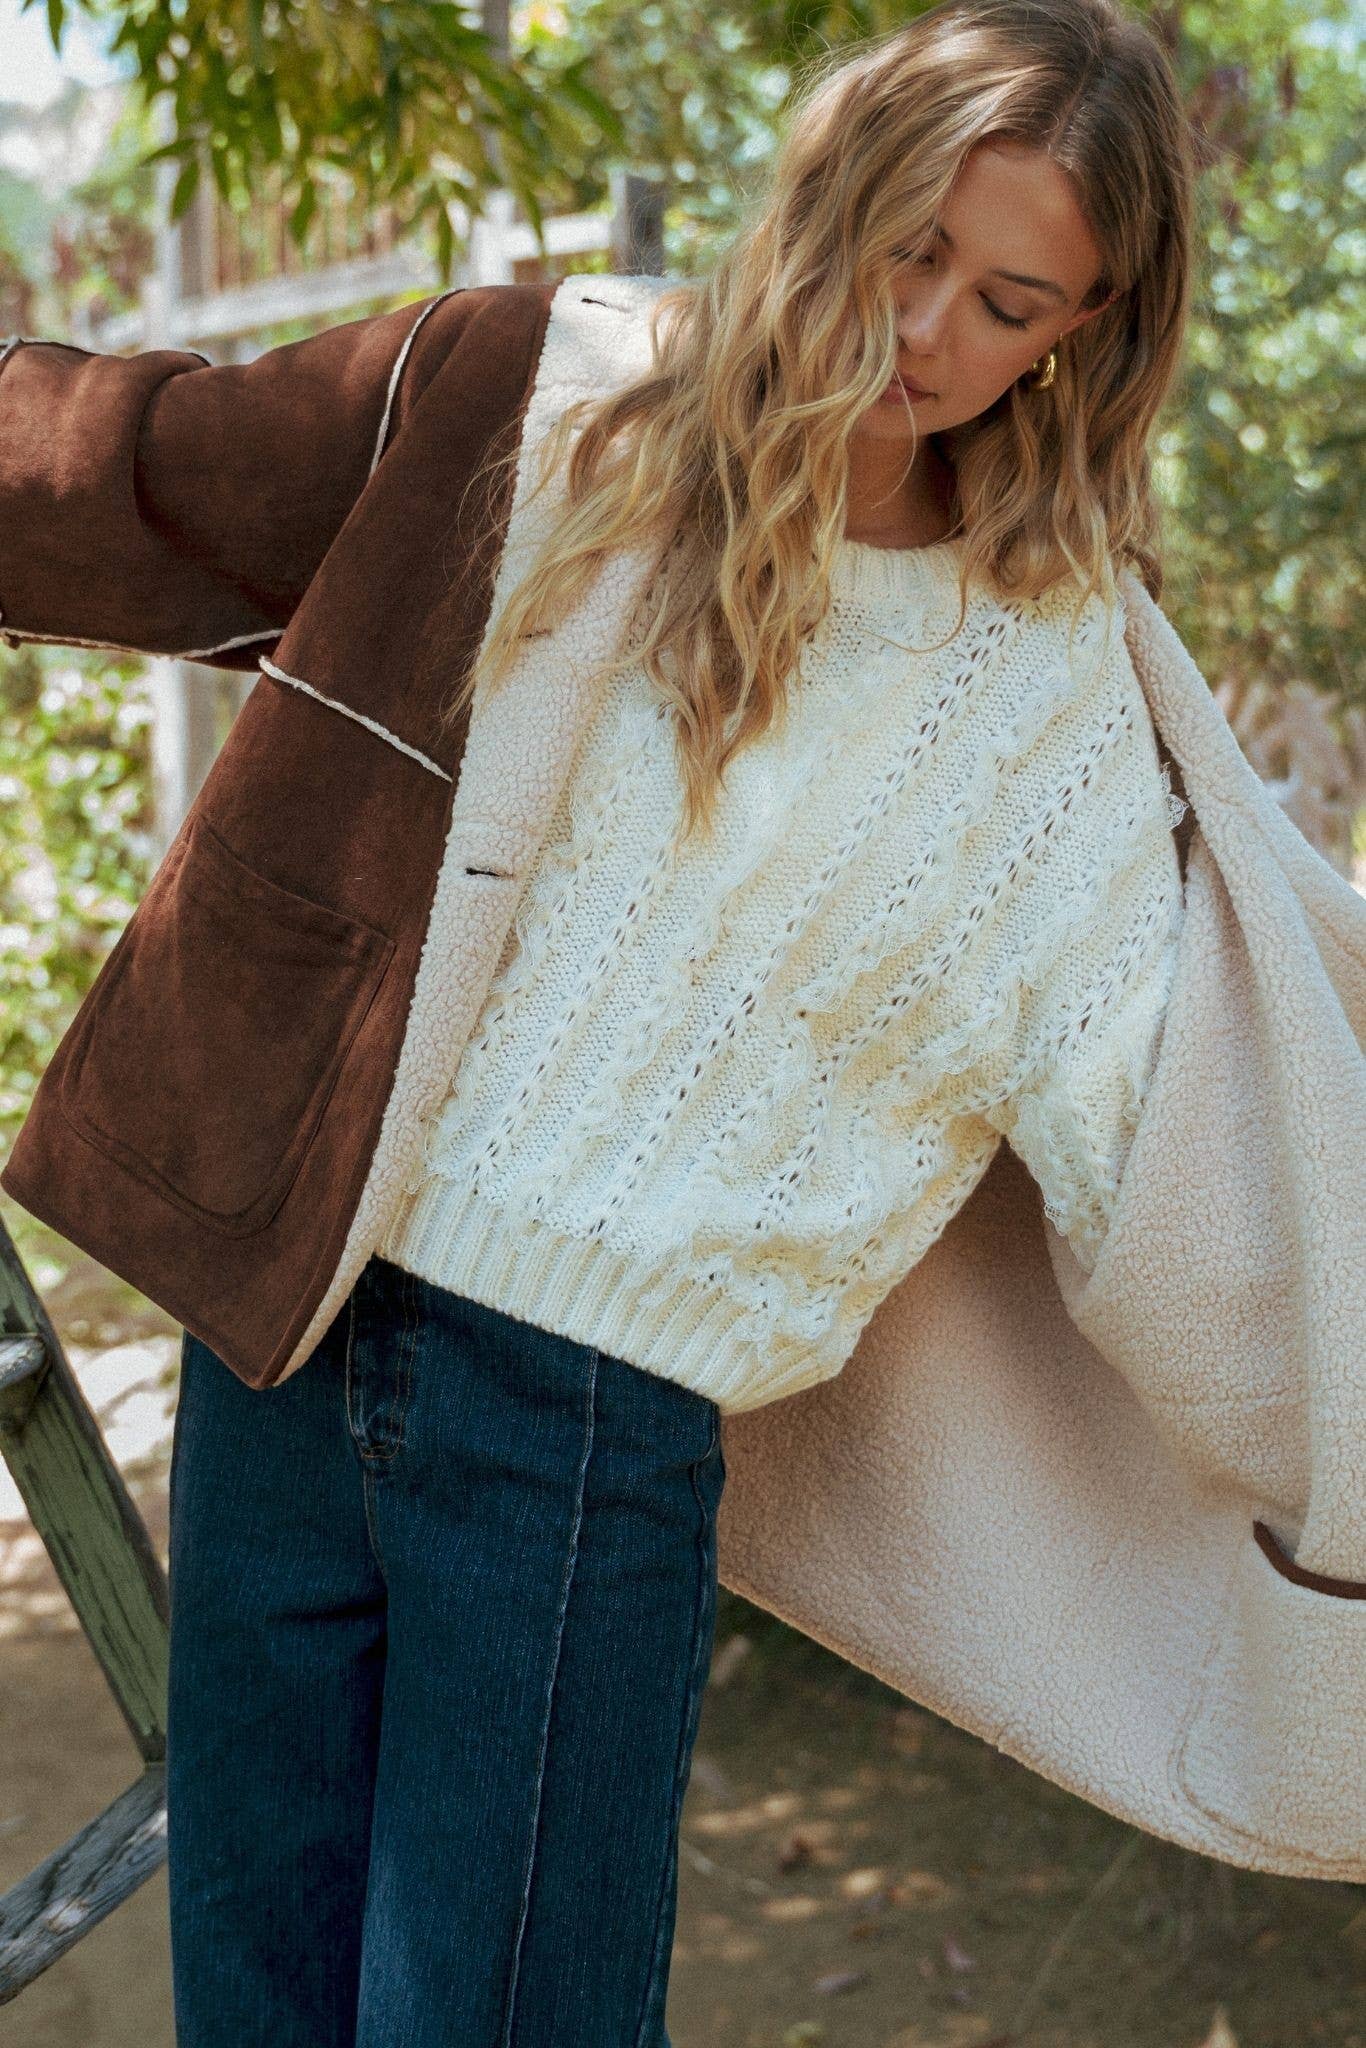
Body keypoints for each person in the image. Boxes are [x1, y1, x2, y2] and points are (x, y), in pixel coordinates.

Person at [5, 0, 1210, 2038]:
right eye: (906, 245)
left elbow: (1155, 1129)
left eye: (1007, 303)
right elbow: (120, 470)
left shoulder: (1049, 675)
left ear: (1079, 333)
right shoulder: (530, 395)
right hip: (285, 1319)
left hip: (576, 1437)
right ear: (829, 188)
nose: (923, 329)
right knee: (256, 2005)